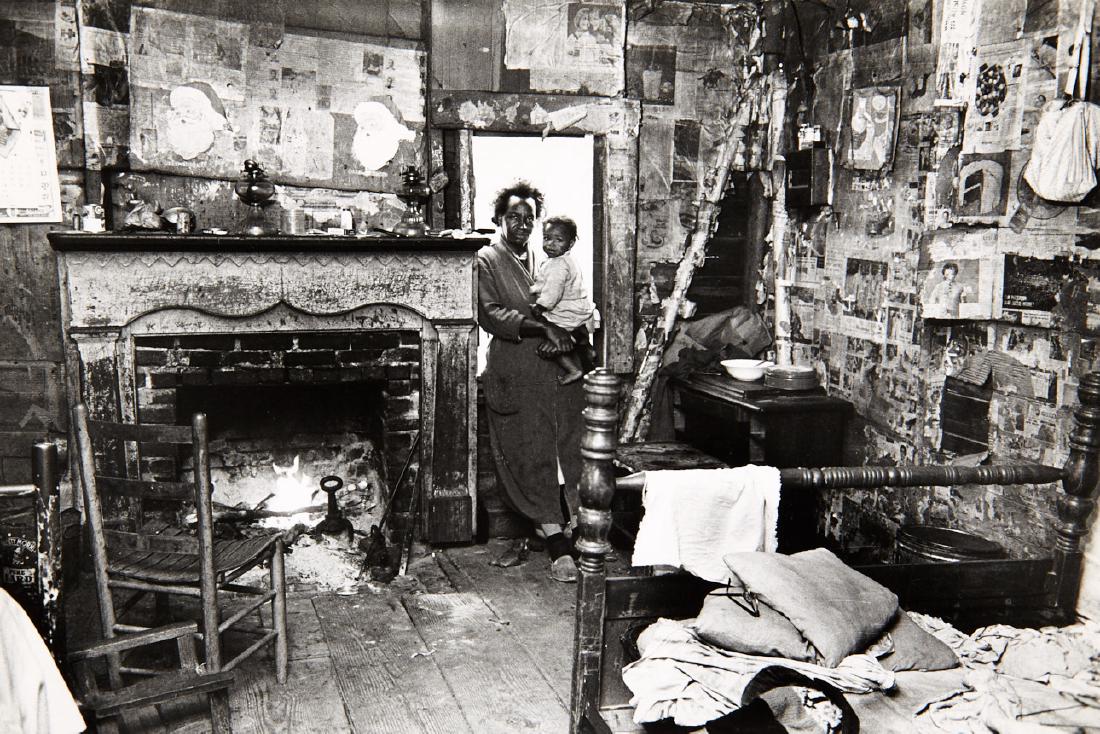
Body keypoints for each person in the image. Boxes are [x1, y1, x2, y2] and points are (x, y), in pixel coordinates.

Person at [477, 182, 590, 583]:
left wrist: (571, 334)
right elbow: (490, 314)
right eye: (513, 217)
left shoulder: (549, 258)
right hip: (515, 370)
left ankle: (576, 530)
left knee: (563, 451)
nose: (522, 224)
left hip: (554, 371)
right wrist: (544, 331)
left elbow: (570, 302)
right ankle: (556, 542)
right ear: (498, 220)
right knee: (528, 453)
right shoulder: (487, 259)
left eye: (529, 218)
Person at [530, 216, 596, 385]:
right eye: (547, 238)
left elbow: (553, 291)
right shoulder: (563, 260)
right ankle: (587, 351)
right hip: (578, 310)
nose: (551, 244)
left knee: (553, 341)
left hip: (568, 312)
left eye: (558, 240)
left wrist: (541, 306)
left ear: (571, 243)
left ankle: (574, 369)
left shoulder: (558, 264)